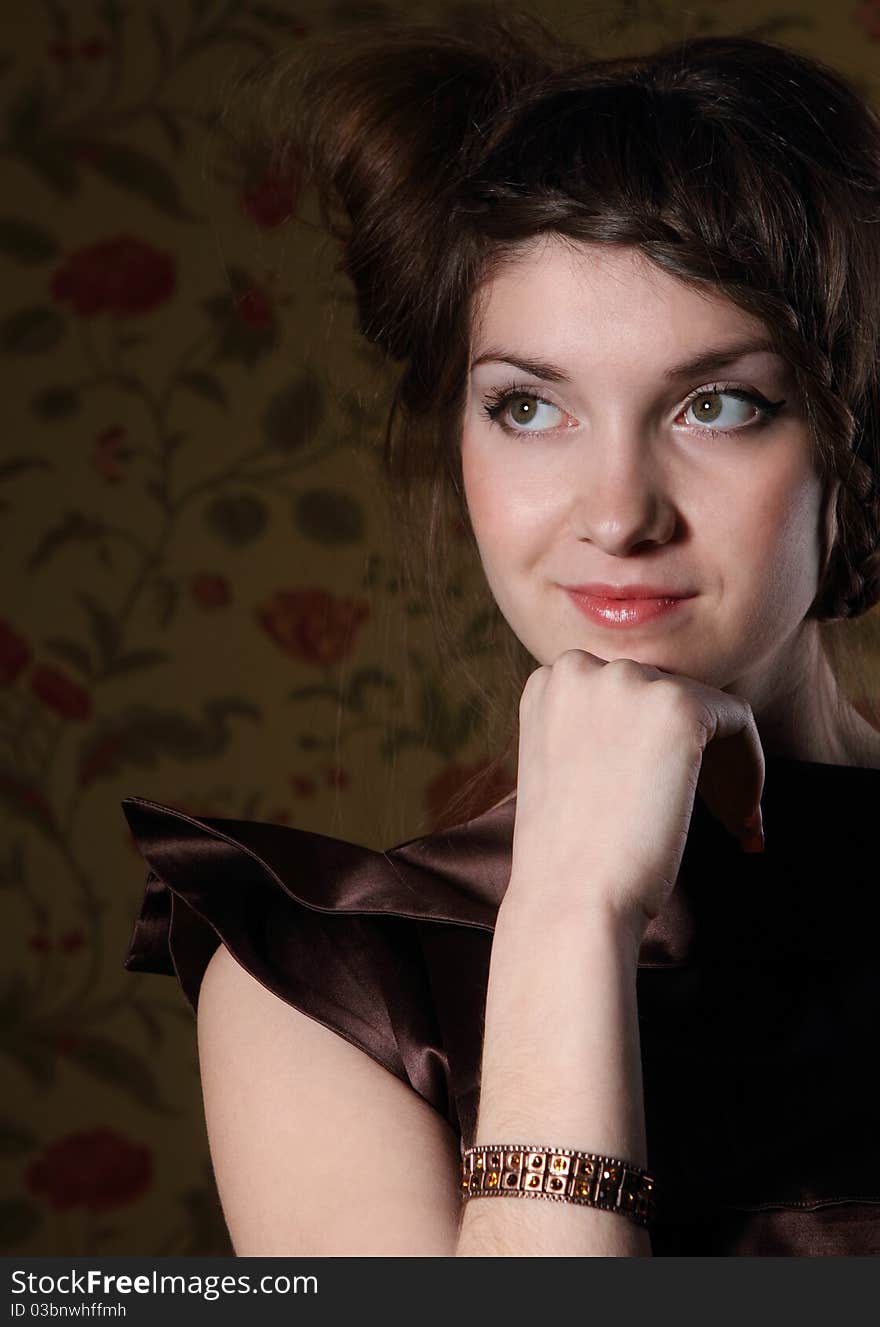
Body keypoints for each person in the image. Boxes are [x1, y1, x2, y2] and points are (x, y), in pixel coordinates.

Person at [121, 11, 880, 1257]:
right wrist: (568, 909)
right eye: (528, 406)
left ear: (846, 445)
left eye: (720, 403)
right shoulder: (331, 985)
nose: (618, 511)